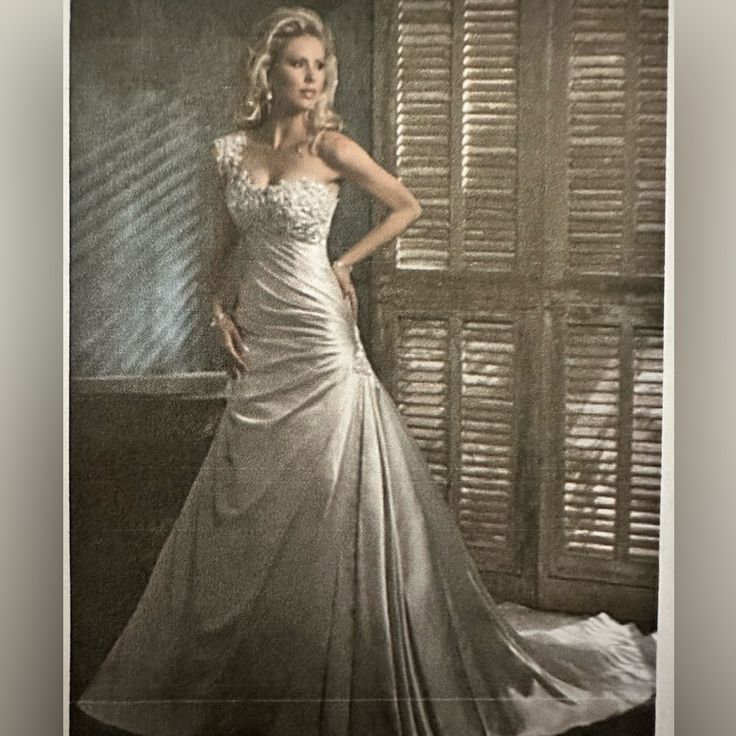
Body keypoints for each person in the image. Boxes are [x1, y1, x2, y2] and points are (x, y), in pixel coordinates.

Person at [76, 7, 656, 736]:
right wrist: (215, 310)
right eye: (298, 63)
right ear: (269, 70)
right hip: (263, 331)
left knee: (329, 477)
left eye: (321, 65)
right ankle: (266, 651)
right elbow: (222, 243)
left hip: (319, 328)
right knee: (252, 488)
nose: (312, 76)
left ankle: (347, 653)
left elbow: (407, 204)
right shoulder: (228, 153)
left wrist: (345, 263)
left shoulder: (335, 148)